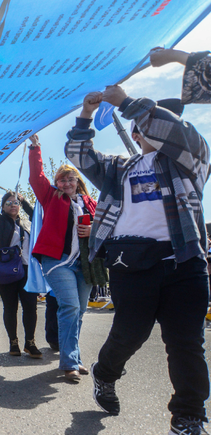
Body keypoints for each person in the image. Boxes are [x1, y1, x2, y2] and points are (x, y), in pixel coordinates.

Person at [68, 81, 210, 434]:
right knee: (130, 333)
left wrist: (128, 101)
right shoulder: (119, 168)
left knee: (185, 342)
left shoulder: (188, 160)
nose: (164, 125)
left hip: (184, 259)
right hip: (130, 261)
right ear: (136, 129)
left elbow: (178, 133)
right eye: (152, 120)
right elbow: (79, 156)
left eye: (170, 120)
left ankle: (188, 418)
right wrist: (86, 115)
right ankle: (105, 373)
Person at [28, 133, 99, 383]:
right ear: (57, 183)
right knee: (69, 306)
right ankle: (69, 362)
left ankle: (74, 357)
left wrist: (93, 229)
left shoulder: (91, 203)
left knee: (79, 312)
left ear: (77, 181)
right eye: (62, 179)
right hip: (57, 262)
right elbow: (36, 179)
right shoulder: (52, 197)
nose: (67, 182)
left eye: (71, 178)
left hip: (85, 264)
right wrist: (35, 149)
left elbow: (105, 226)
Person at [0, 173, 40, 358]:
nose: (13, 205)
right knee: (10, 307)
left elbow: (37, 214)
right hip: (6, 271)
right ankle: (13, 342)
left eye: (16, 203)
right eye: (9, 203)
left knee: (30, 306)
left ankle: (30, 342)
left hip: (27, 270)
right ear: (3, 207)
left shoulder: (27, 224)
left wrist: (24, 200)